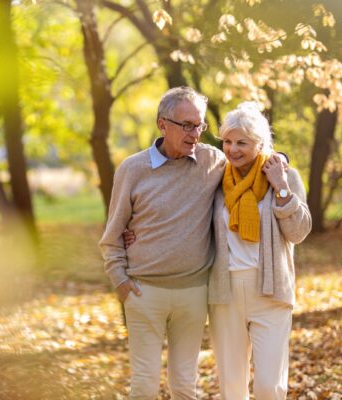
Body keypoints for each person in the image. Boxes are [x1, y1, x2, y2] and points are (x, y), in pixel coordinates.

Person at [99, 86, 228, 400]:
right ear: (162, 124)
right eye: (186, 125)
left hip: (194, 294)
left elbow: (249, 157)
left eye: (199, 125)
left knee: (185, 386)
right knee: (144, 385)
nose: (194, 133)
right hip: (144, 293)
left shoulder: (212, 162)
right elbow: (113, 236)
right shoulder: (133, 169)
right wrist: (121, 282)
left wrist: (280, 159)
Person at [207, 102, 311, 399]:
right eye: (227, 141)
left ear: (261, 144)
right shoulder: (217, 178)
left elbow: (299, 232)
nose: (232, 149)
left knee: (269, 386)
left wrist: (280, 188)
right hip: (225, 293)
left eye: (242, 142)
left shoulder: (285, 175)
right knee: (232, 386)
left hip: (271, 291)